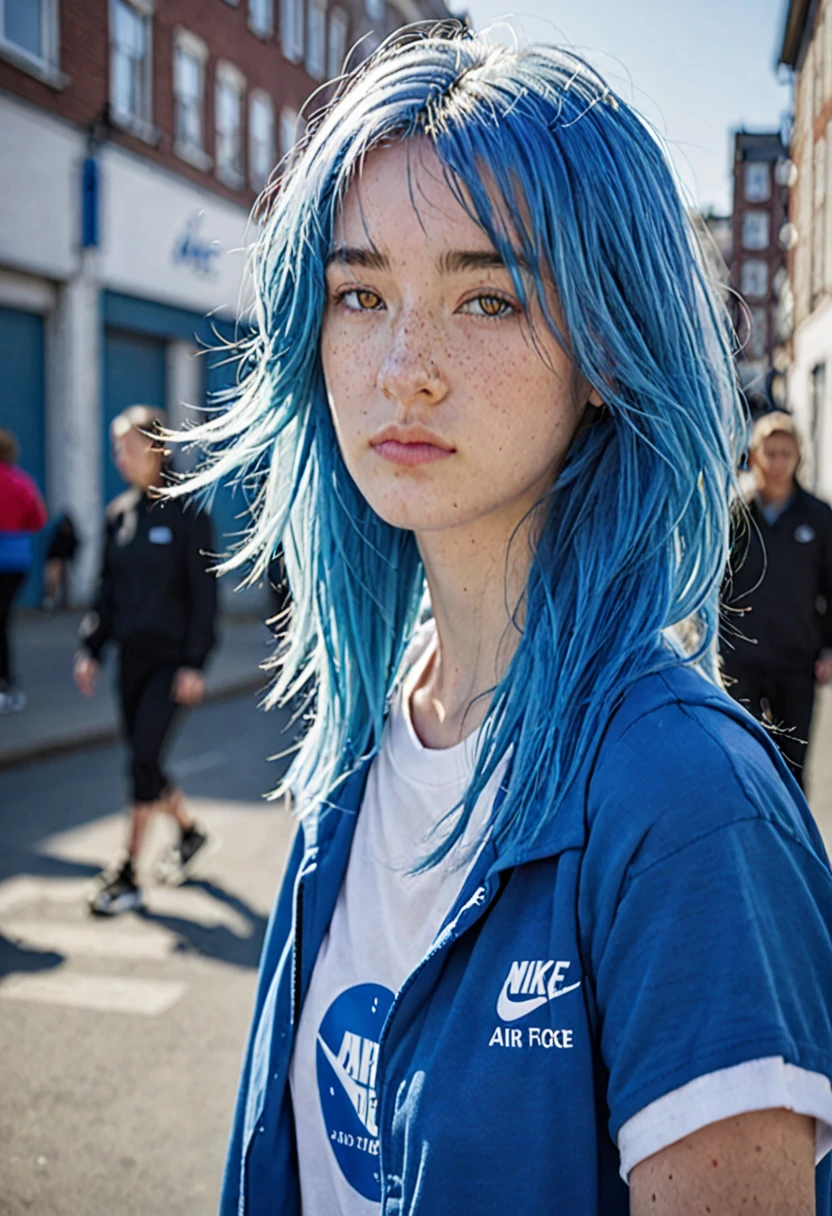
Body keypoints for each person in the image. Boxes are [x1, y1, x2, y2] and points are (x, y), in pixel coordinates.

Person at [176, 29, 832, 1215]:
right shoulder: (363, 739)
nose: (403, 365)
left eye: (488, 296)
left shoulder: (687, 803)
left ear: (603, 352)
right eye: (360, 292)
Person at [74, 406, 218, 915]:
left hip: (170, 664)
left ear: (157, 448)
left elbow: (205, 597)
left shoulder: (188, 515)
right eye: (116, 448)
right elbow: (106, 592)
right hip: (129, 663)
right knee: (147, 762)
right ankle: (189, 832)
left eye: (127, 446)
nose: (120, 457)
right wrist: (91, 648)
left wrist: (195, 664)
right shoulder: (119, 516)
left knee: (141, 762)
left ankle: (128, 872)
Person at [721, 411, 832, 788]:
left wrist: (829, 650)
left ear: (799, 455)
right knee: (742, 761)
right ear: (754, 455)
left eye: (786, 452)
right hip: (741, 659)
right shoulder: (735, 513)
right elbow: (717, 585)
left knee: (792, 768)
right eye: (771, 452)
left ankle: (792, 843)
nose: (778, 461)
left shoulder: (818, 518)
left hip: (795, 659)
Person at [0, 427, 48, 712]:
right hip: (17, 561)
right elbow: (39, 519)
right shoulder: (22, 482)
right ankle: (7, 681)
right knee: (3, 619)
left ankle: (5, 682)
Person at [42, 511, 80, 612]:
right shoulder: (57, 537)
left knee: (65, 579)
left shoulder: (70, 538)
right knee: (53, 576)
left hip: (64, 560)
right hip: (56, 559)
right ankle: (51, 600)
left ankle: (65, 601)